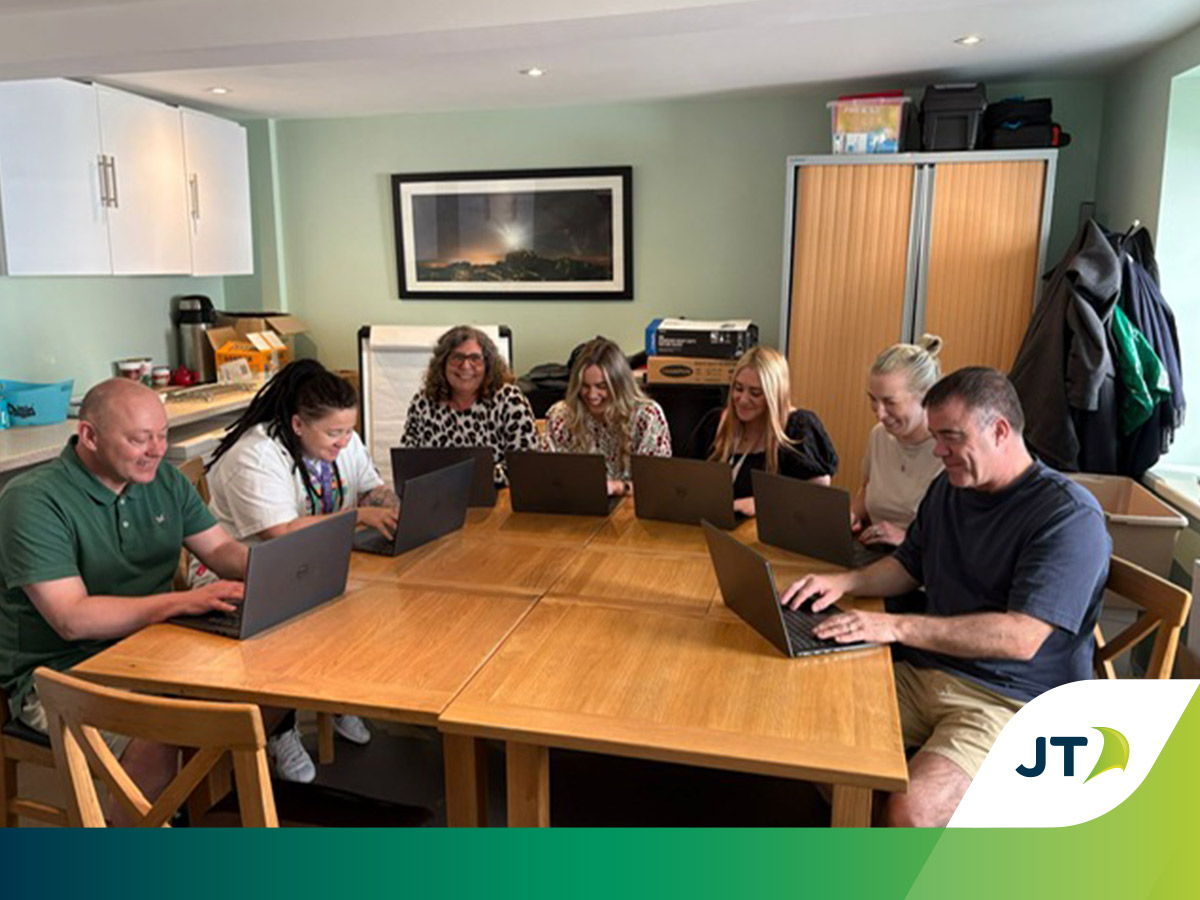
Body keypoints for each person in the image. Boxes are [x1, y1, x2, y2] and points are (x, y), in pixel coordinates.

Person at [780, 367, 1110, 827]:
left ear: (999, 431)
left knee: (914, 810)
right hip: (930, 673)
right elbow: (907, 565)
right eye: (936, 437)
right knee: (796, 728)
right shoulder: (951, 488)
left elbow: (1021, 637)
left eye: (950, 437)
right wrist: (845, 583)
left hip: (1012, 699)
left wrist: (894, 626)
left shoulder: (1067, 515)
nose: (937, 450)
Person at [0, 379, 248, 825]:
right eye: (139, 439)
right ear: (89, 436)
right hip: (61, 673)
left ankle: (183, 814)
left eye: (162, 435)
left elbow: (221, 551)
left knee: (254, 692)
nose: (156, 449)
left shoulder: (165, 480)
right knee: (158, 733)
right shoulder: (31, 500)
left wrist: (284, 564)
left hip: (154, 648)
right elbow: (72, 619)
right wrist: (182, 602)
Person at [203, 359, 396, 782]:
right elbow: (281, 532)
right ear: (297, 425)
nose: (344, 441)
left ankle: (337, 696)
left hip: (308, 561)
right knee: (299, 623)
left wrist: (393, 505)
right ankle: (279, 727)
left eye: (349, 431)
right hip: (241, 571)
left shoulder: (341, 438)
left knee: (377, 601)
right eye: (334, 433)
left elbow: (370, 487)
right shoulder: (255, 454)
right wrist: (360, 516)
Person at [687, 345, 837, 517]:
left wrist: (763, 502)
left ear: (774, 396)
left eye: (755, 393)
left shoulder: (798, 428)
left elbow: (818, 493)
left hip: (768, 530)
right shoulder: (715, 422)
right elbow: (685, 479)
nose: (743, 400)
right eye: (738, 388)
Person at [400, 325, 538, 482]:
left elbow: (526, 466)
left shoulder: (510, 400)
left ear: (488, 365)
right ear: (442, 364)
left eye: (475, 358)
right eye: (457, 357)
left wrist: (465, 478)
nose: (465, 366)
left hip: (497, 494)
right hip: (437, 494)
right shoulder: (423, 403)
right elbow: (407, 464)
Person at [542, 337, 671, 495]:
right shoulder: (561, 416)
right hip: (575, 503)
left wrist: (617, 487)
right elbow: (548, 476)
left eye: (601, 386)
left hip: (632, 506)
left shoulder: (647, 416)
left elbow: (658, 483)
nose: (592, 395)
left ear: (619, 386)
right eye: (584, 386)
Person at [851, 335, 945, 547]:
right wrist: (852, 514)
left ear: (926, 397)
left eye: (890, 402)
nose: (880, 414)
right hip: (875, 548)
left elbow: (962, 537)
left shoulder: (949, 451)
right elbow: (867, 490)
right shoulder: (879, 435)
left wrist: (906, 539)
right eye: (873, 400)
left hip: (922, 558)